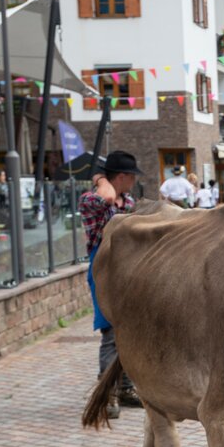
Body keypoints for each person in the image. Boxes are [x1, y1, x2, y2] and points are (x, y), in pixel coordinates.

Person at [83, 151, 142, 414]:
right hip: (105, 272)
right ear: (121, 176)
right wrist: (98, 178)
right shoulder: (91, 200)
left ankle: (126, 387)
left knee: (129, 333)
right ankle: (106, 394)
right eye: (131, 176)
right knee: (110, 334)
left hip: (129, 270)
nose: (134, 182)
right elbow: (106, 197)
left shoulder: (129, 202)